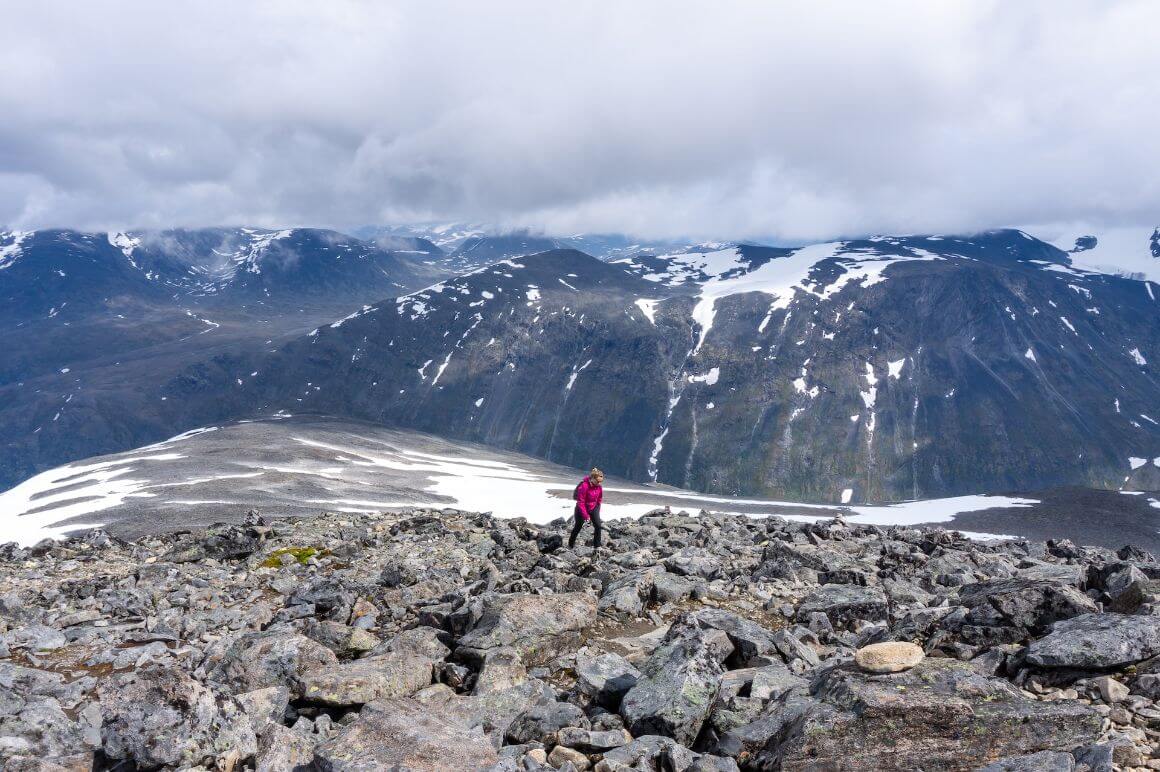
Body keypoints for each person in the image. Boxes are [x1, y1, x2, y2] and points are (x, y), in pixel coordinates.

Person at [568, 467, 604, 549]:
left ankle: (597, 547)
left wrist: (597, 508)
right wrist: (586, 516)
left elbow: (599, 499)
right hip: (581, 508)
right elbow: (581, 502)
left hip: (593, 507)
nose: (599, 483)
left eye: (600, 482)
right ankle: (570, 544)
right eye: (597, 481)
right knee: (578, 526)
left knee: (598, 526)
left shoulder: (599, 487)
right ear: (592, 478)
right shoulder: (584, 486)